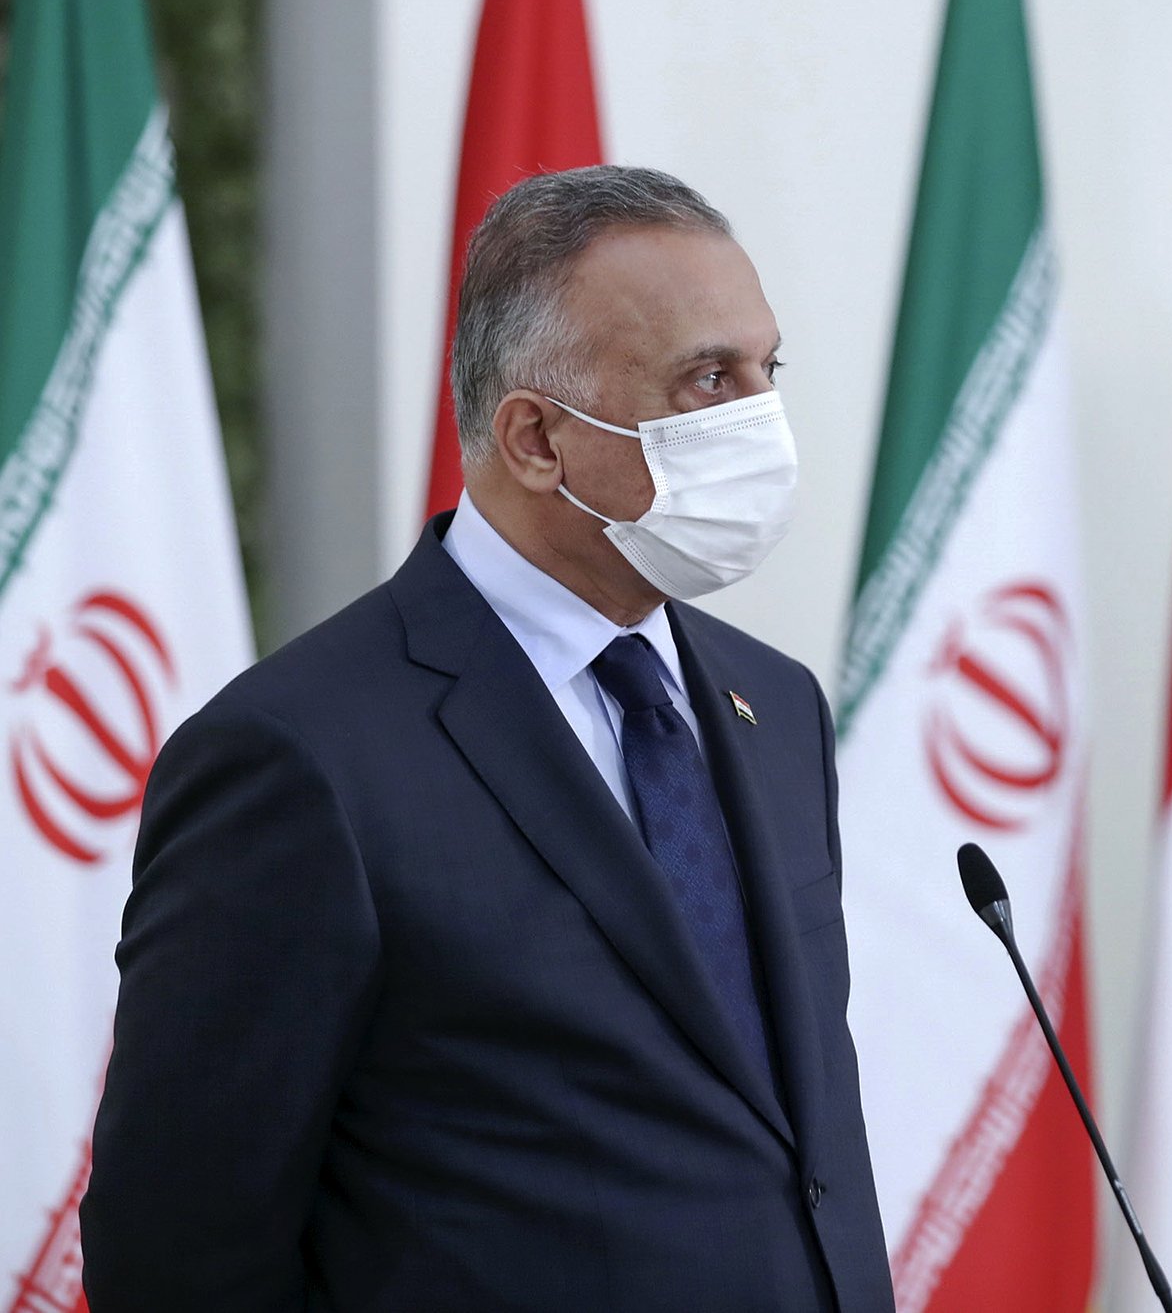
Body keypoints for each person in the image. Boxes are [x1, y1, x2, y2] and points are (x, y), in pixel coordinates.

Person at [81, 165, 895, 1312]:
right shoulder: (300, 757)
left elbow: (781, 1138)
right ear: (534, 438)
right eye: (707, 378)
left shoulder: (775, 705)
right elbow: (179, 1246)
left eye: (767, 370)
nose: (759, 418)